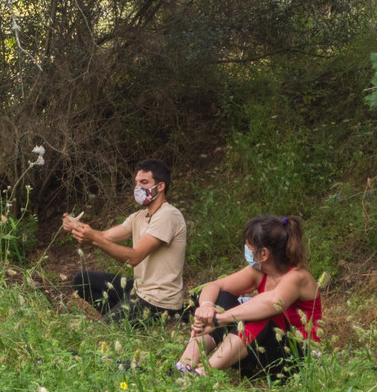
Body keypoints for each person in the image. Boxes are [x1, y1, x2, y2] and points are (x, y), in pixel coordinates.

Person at [175, 215, 322, 378]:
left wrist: (218, 320)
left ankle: (203, 375)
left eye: (248, 246)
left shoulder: (298, 277)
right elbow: (215, 286)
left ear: (263, 253)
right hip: (259, 351)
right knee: (221, 297)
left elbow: (272, 302)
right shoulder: (258, 272)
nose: (246, 249)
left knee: (260, 313)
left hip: (294, 359)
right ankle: (184, 366)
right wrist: (207, 308)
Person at [63, 159, 188, 324]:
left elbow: (135, 257)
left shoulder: (168, 215)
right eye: (137, 182)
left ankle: (115, 323)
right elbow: (105, 235)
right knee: (82, 280)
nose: (138, 187)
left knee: (102, 332)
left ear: (160, 186)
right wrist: (77, 227)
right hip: (139, 290)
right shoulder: (139, 216)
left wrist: (93, 238)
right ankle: (117, 319)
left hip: (159, 301)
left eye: (144, 182)